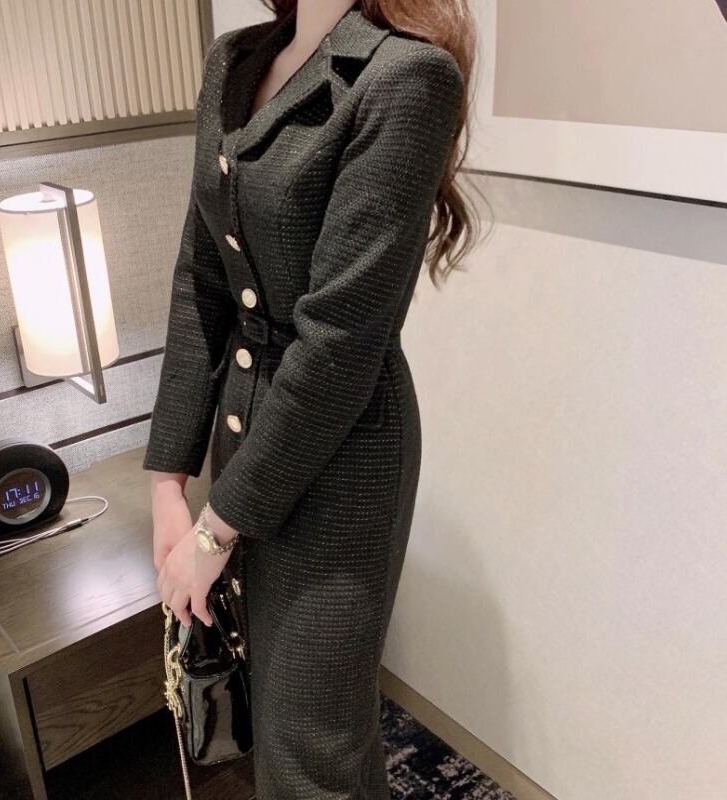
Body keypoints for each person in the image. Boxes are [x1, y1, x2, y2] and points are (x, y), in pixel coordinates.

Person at [144, 0, 478, 797]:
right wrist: (167, 485)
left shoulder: (406, 77)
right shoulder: (234, 61)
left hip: (343, 454)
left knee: (310, 744)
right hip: (245, 437)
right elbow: (202, 277)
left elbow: (341, 341)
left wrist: (216, 528)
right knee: (292, 721)